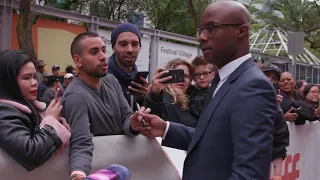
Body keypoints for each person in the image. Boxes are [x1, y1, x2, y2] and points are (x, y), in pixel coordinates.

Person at [132, 1, 277, 179]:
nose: (202, 37)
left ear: (241, 31)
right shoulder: (222, 81)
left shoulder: (253, 86)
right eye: (201, 29)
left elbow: (249, 174)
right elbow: (212, 140)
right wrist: (166, 128)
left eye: (211, 28)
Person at [61, 32, 147, 180]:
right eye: (94, 52)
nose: (103, 56)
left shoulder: (112, 81)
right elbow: (81, 142)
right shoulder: (75, 97)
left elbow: (126, 117)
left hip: (121, 168)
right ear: (78, 60)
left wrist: (133, 124)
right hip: (96, 170)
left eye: (103, 50)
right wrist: (78, 173)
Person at [0, 49, 70, 171]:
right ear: (8, 81)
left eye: (34, 77)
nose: (34, 83)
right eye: (26, 78)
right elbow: (30, 153)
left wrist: (56, 123)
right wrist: (50, 123)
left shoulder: (32, 107)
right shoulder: (3, 113)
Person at [144, 59, 197, 127]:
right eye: (178, 75)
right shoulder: (161, 98)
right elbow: (153, 118)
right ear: (167, 76)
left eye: (186, 76)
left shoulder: (194, 100)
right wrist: (155, 94)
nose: (182, 79)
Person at [107, 23, 148, 111]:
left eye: (134, 44)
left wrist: (144, 100)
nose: (130, 50)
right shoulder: (102, 78)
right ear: (114, 47)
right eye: (123, 44)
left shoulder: (138, 80)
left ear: (140, 47)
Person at [261, 64, 289, 179]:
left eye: (274, 78)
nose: (269, 79)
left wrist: (277, 175)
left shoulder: (275, 109)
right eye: (267, 75)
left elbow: (279, 139)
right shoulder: (239, 96)